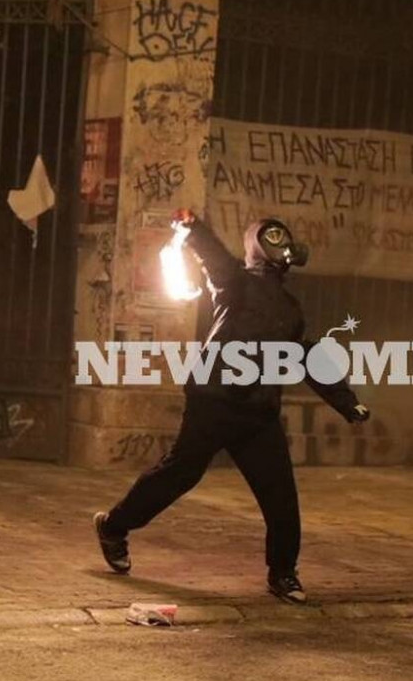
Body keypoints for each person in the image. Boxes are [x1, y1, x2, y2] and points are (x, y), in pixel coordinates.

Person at [93, 210, 370, 604]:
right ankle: (113, 526)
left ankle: (283, 574)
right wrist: (193, 228)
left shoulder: (291, 309)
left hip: (258, 413)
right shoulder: (234, 283)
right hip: (214, 402)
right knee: (179, 474)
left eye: (283, 238)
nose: (281, 245)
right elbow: (215, 257)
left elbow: (307, 358)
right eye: (272, 238)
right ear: (258, 248)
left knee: (280, 495)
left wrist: (347, 402)